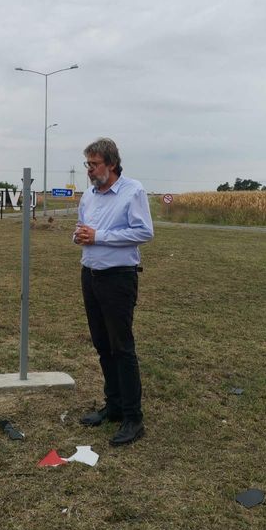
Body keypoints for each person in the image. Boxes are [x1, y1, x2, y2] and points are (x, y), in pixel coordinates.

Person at [73, 137, 154, 446]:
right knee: (102, 345)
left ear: (111, 164)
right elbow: (82, 227)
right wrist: (79, 236)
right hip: (90, 276)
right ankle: (115, 406)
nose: (89, 170)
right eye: (88, 164)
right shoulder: (89, 195)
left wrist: (99, 236)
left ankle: (133, 418)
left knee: (122, 348)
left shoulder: (133, 191)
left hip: (118, 279)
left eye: (94, 164)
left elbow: (144, 231)